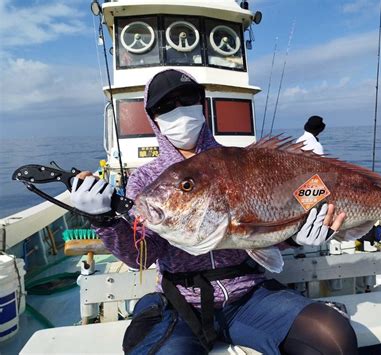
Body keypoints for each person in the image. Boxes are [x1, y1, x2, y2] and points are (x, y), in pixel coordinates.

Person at [70, 69, 357, 354]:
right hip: (182, 306)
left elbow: (290, 207)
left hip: (250, 297)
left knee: (333, 336)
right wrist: (104, 220)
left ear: (202, 105)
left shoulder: (244, 161)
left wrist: (296, 236)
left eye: (187, 98)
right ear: (153, 118)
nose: (179, 110)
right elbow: (141, 255)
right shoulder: (146, 181)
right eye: (165, 106)